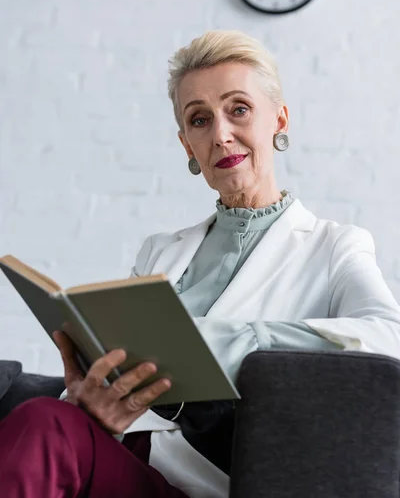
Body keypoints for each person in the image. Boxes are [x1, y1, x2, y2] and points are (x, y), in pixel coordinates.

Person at [1, 29, 400, 498]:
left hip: (202, 482)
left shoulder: (334, 246)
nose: (221, 134)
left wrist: (238, 340)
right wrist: (89, 399)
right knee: (46, 419)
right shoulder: (160, 250)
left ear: (279, 119)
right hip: (117, 457)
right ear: (187, 144)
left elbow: (386, 339)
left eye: (239, 110)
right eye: (199, 120)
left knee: (43, 423)